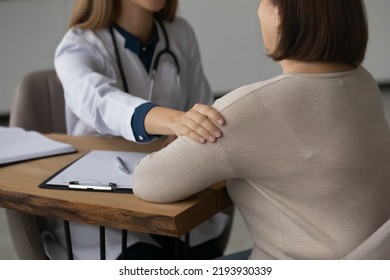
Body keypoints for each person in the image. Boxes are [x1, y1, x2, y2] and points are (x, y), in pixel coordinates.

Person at [133, 0, 390, 259]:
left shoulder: (247, 109)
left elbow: (148, 182)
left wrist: (179, 133)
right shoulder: (363, 82)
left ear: (279, 15)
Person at [41, 0, 231, 260]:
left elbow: (202, 106)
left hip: (171, 194)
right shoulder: (78, 45)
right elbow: (99, 101)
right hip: (103, 209)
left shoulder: (180, 33)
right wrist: (173, 120)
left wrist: (192, 129)